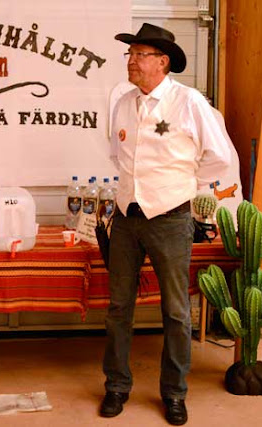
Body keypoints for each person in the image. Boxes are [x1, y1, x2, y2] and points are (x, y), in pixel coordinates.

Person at [100, 23, 232, 425]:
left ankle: (174, 393)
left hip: (171, 218)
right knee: (119, 308)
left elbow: (219, 157)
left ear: (163, 62)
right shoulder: (122, 102)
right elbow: (117, 154)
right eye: (130, 54)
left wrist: (180, 185)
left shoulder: (189, 102)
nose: (131, 61)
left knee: (176, 311)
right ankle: (116, 386)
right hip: (127, 217)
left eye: (140, 54)